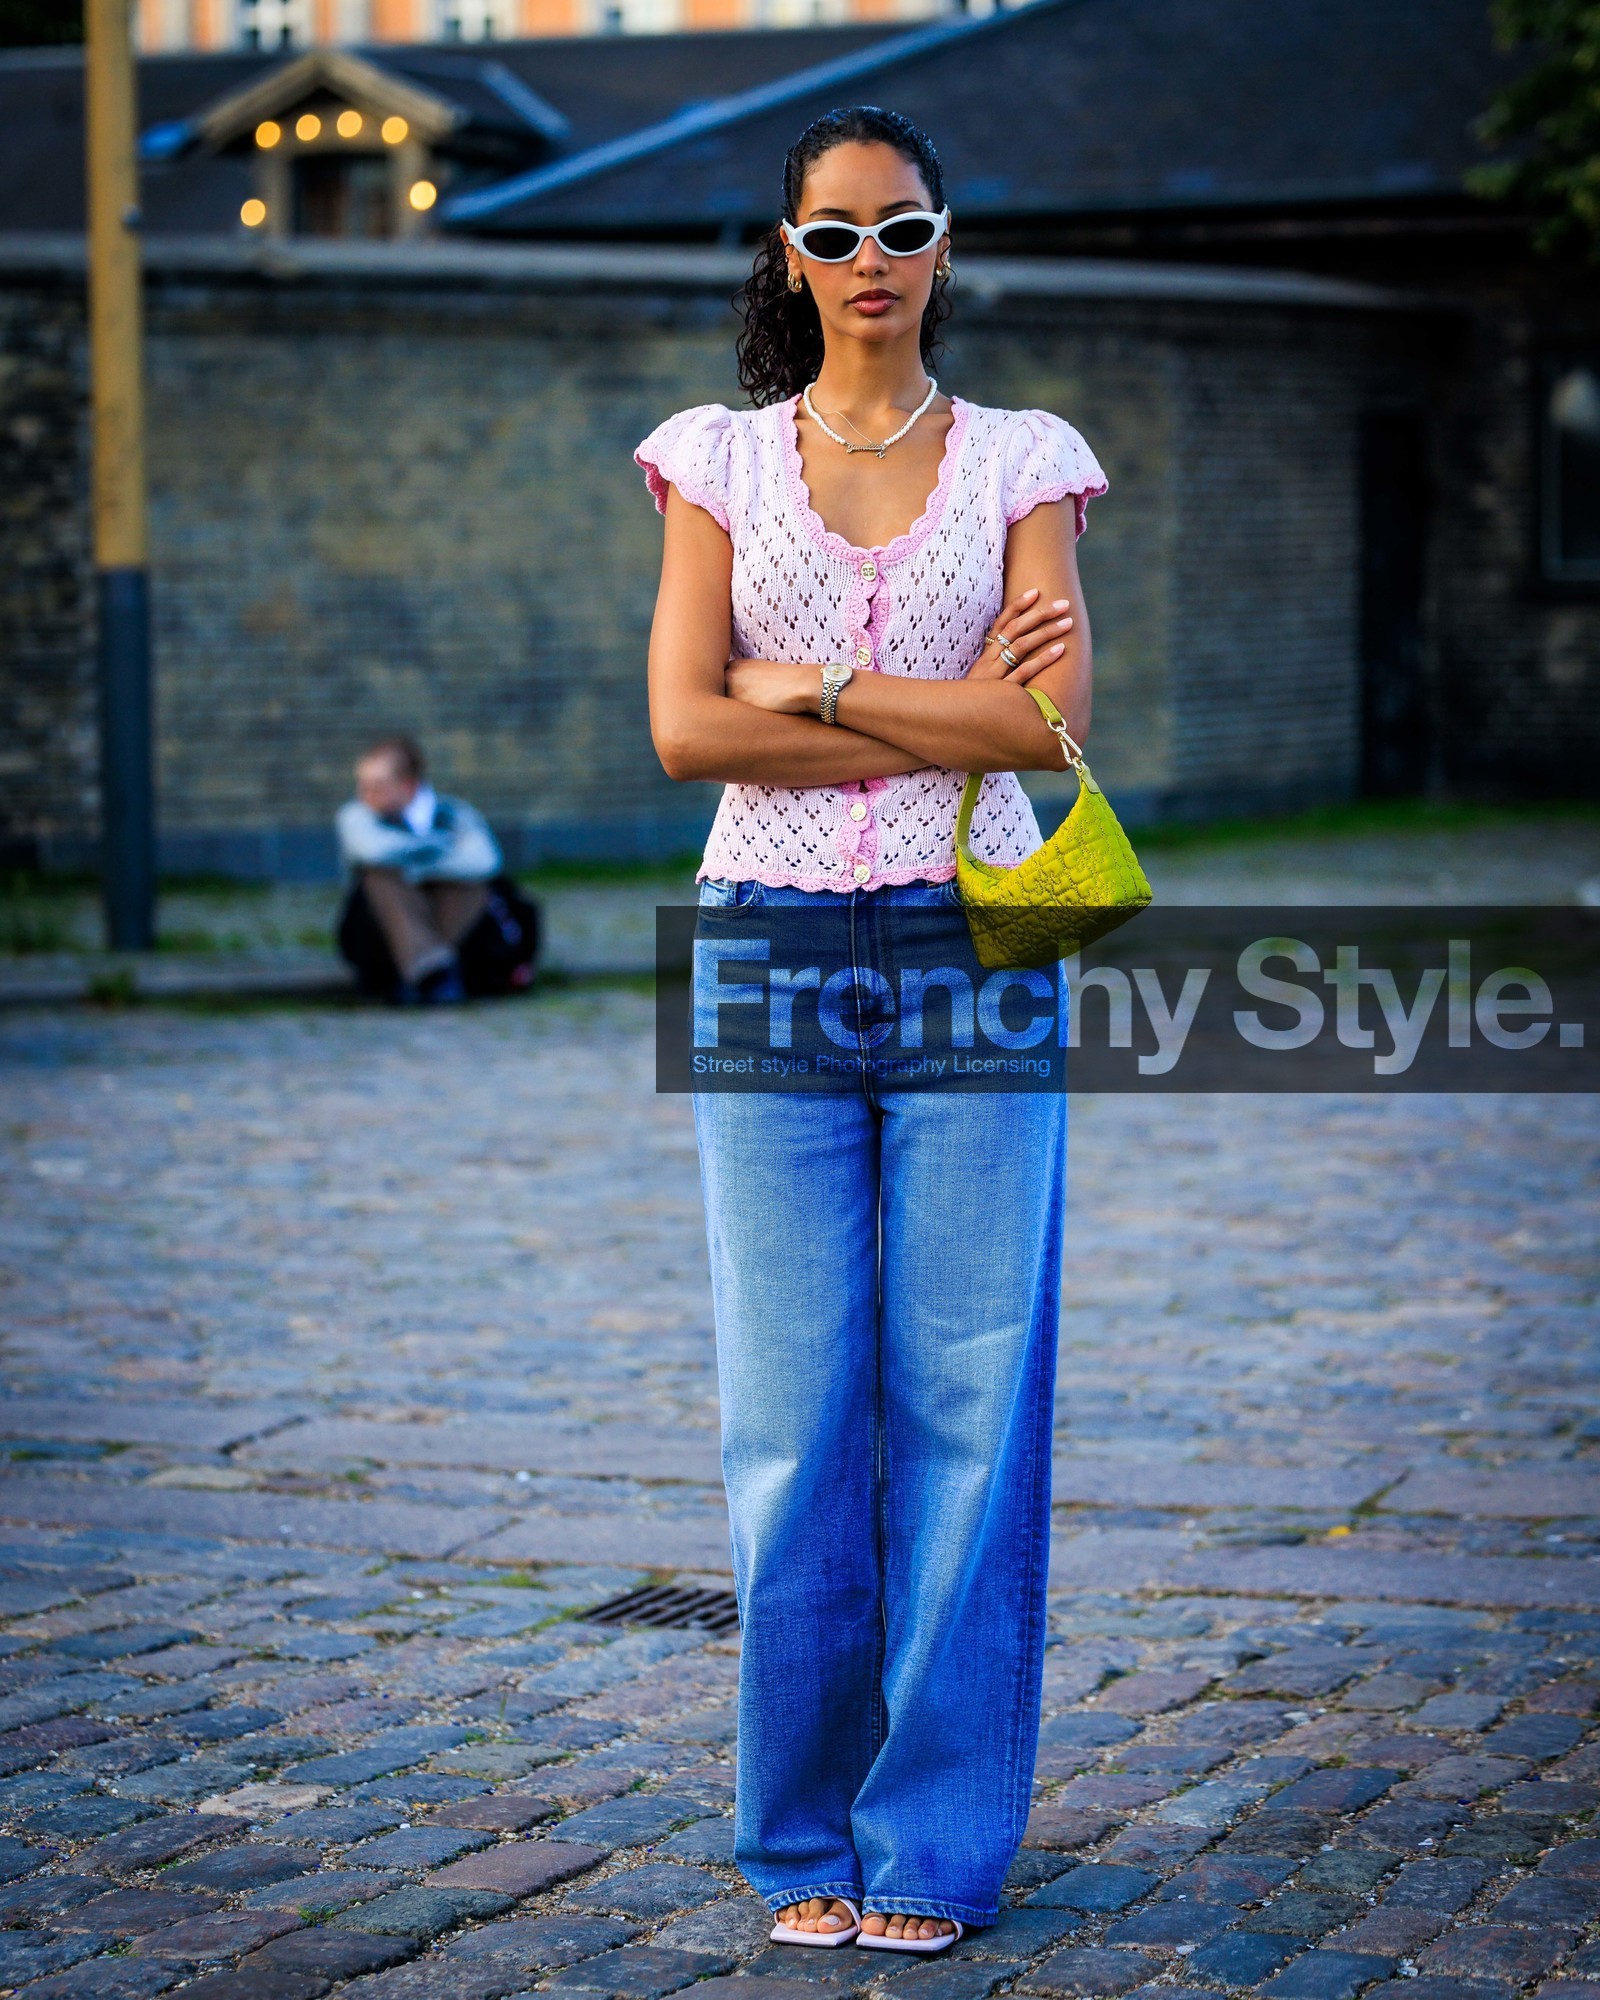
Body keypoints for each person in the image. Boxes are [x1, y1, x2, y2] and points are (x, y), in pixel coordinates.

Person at [636, 107, 1106, 1954]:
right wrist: (927, 702)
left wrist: (802, 682)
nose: (868, 265)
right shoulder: (711, 461)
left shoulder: (1025, 462)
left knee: (973, 1406)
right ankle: (800, 1837)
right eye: (832, 237)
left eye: (899, 229)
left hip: (979, 941)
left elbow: (1046, 734)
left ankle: (933, 1847)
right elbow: (683, 734)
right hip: (758, 948)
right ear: (786, 255)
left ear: (942, 243)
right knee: (792, 1413)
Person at [335, 735, 538, 1004]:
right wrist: (436, 850)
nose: (365, 794)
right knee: (381, 876)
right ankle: (432, 971)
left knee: (469, 883)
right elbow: (372, 850)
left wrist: (417, 865)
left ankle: (425, 970)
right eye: (362, 785)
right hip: (378, 933)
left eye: (377, 785)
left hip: (456, 924)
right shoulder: (358, 815)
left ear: (407, 785)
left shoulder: (455, 813)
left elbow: (484, 861)